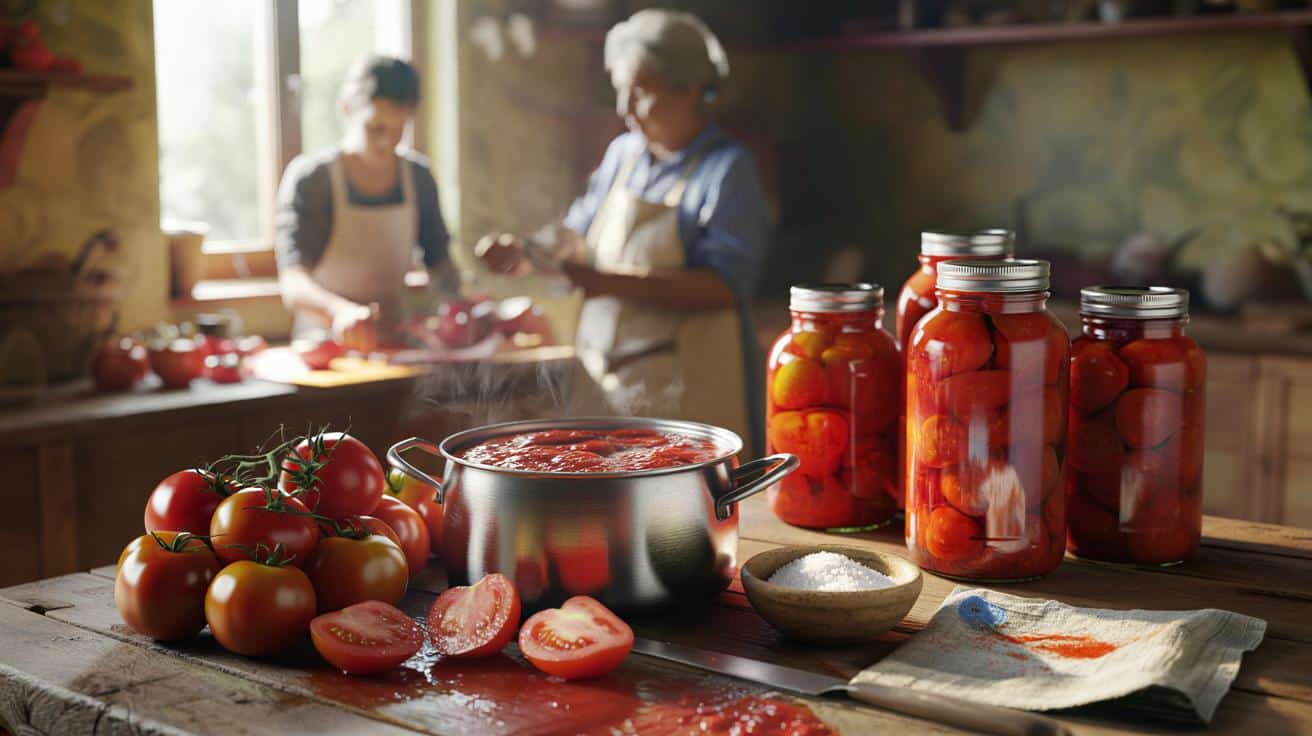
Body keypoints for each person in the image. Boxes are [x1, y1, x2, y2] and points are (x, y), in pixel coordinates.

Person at [476, 9, 769, 452]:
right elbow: (579, 235)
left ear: (690, 89)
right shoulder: (624, 155)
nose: (623, 108)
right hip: (610, 380)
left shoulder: (727, 170)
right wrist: (528, 251)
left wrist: (599, 282)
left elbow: (725, 288)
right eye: (620, 89)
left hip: (690, 393)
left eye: (641, 92)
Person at [276, 55, 457, 350]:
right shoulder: (312, 179)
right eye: (376, 128)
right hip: (324, 347)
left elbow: (441, 266)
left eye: (399, 129)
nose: (387, 142)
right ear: (346, 110)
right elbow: (293, 283)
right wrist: (340, 312)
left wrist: (463, 309)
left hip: (397, 344)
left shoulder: (418, 178)